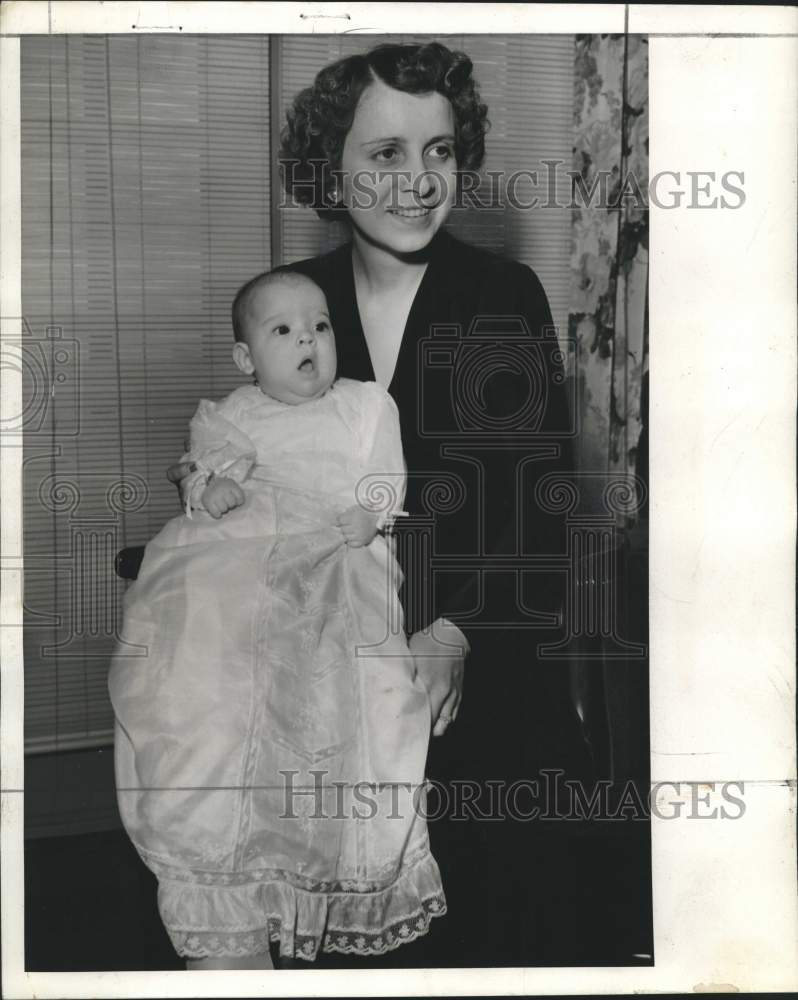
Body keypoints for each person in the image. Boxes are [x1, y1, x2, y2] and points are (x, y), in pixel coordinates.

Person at [170, 40, 588, 967]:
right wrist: (211, 493)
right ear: (332, 166)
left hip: (480, 685)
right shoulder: (296, 300)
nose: (417, 181)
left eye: (438, 151)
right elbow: (249, 450)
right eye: (385, 154)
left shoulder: (503, 295)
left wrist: (455, 633)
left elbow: (543, 502)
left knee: (503, 940)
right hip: (325, 695)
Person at [110, 269, 448, 970]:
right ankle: (224, 874)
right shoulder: (231, 413)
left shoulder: (363, 406)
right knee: (206, 662)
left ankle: (313, 858)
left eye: (320, 327)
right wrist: (215, 485)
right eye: (284, 331)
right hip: (244, 558)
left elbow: (387, 478)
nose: (308, 342)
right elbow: (201, 471)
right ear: (246, 358)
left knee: (351, 682)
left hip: (334, 547)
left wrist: (374, 509)